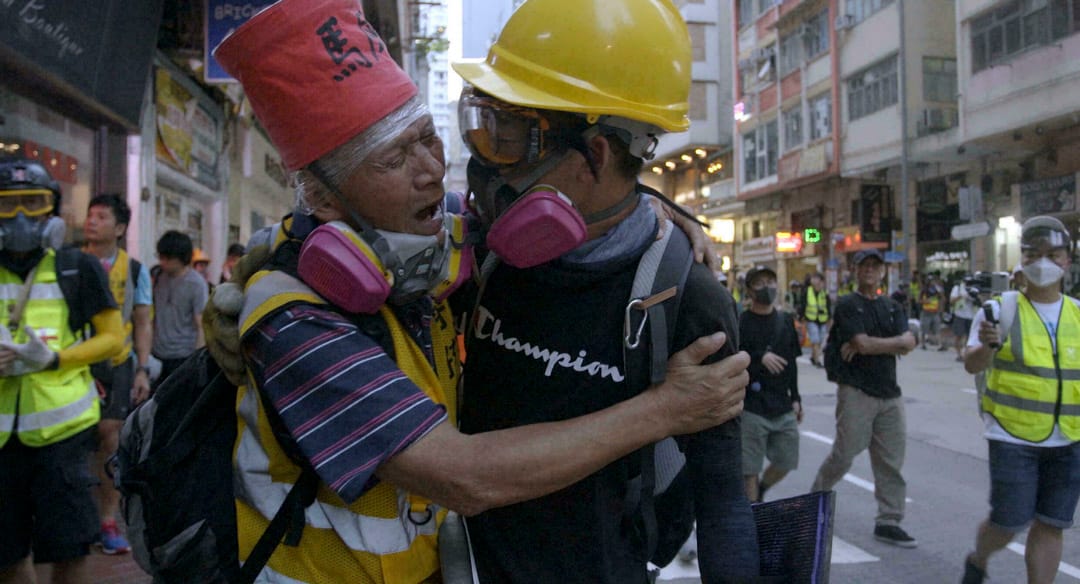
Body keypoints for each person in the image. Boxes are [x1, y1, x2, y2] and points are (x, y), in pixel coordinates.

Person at [211, 3, 750, 582]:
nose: (442, 171)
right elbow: (462, 477)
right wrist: (663, 410)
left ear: (594, 154)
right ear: (322, 198)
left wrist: (656, 207)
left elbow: (724, 507)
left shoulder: (675, 291)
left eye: (431, 138)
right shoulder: (309, 316)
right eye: (394, 158)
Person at [451, 0, 759, 580]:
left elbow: (721, 503)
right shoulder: (480, 256)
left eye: (510, 141)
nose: (487, 169)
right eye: (485, 131)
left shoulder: (685, 299)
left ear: (593, 155)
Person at [0, 157, 124, 583]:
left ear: (52, 210)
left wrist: (54, 359)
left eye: (33, 204)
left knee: (70, 548)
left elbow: (113, 338)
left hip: (63, 435)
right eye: (7, 205)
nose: (20, 217)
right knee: (6, 554)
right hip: (2, 441)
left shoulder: (77, 267)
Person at [960, 215, 1080, 584]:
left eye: (1053, 254)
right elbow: (971, 364)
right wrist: (988, 347)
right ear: (1022, 259)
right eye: (1034, 254)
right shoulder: (1000, 310)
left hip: (1069, 438)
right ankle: (979, 559)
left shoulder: (1078, 314)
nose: (1044, 262)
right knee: (1008, 521)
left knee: (1052, 523)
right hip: (1012, 437)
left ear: (1067, 261)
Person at [812, 248, 918, 548]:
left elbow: (908, 342)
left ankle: (889, 520)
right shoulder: (848, 304)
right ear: (855, 271)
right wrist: (889, 344)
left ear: (882, 271)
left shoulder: (892, 306)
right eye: (864, 266)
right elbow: (863, 343)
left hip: (890, 394)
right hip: (856, 391)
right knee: (844, 455)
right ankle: (813, 502)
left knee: (890, 462)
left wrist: (875, 344)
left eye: (875, 266)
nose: (870, 270)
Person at [81, 194, 153, 555]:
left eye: (102, 216)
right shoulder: (69, 264)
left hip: (118, 364)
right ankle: (81, 517)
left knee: (111, 436)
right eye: (90, 215)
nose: (92, 221)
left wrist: (142, 369)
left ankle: (107, 521)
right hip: (75, 364)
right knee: (75, 443)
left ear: (120, 228)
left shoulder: (136, 271)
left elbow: (142, 322)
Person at [739, 266, 802, 503]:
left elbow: (792, 363)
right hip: (751, 405)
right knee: (749, 469)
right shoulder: (741, 322)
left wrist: (796, 397)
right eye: (760, 283)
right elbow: (733, 358)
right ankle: (754, 511)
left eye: (770, 281)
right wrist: (758, 358)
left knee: (787, 460)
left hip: (781, 403)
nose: (767, 287)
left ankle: (763, 488)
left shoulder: (785, 321)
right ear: (749, 290)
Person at [150, 231, 208, 386]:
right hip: (157, 354)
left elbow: (201, 325)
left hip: (183, 355)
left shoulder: (196, 284)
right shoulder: (158, 276)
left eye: (167, 258)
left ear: (181, 258)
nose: (162, 262)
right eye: (161, 257)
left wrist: (196, 360)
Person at [801, 272, 830, 368]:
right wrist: (802, 318)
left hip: (822, 320)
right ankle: (818, 361)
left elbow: (828, 306)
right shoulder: (807, 291)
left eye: (816, 278)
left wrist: (829, 319)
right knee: (815, 340)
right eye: (813, 278)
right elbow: (803, 304)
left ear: (821, 281)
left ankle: (813, 357)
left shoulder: (824, 293)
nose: (813, 280)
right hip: (811, 319)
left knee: (820, 340)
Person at [949, 274, 977, 363]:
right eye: (967, 282)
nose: (968, 284)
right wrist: (961, 296)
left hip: (972, 316)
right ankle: (959, 354)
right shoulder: (957, 288)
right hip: (960, 315)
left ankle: (967, 353)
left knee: (970, 337)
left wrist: (974, 296)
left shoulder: (975, 288)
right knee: (959, 336)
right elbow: (951, 301)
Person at [919, 274, 945, 350]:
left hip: (935, 312)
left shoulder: (937, 290)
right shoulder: (924, 290)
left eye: (934, 281)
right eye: (931, 281)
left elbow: (942, 299)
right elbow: (919, 300)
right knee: (924, 329)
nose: (933, 282)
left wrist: (941, 309)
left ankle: (940, 344)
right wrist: (925, 301)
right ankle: (923, 344)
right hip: (926, 312)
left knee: (937, 329)